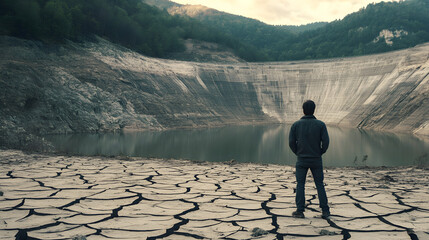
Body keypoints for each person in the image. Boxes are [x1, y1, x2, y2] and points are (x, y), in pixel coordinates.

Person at [288, 100, 330, 219]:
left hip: (301, 159)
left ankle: (300, 211)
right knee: (319, 184)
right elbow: (326, 142)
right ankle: (325, 211)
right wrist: (320, 152)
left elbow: (291, 142)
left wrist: (298, 152)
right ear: (314, 110)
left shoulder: (296, 125)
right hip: (316, 159)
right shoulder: (320, 125)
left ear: (303, 110)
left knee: (300, 184)